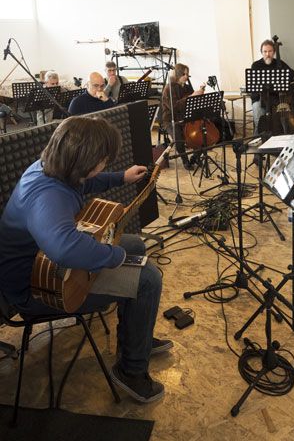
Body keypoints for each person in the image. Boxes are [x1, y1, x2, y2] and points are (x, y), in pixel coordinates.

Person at [0, 116, 172, 402]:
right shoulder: (48, 195)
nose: (105, 164)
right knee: (148, 280)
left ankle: (135, 340)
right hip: (38, 286)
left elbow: (82, 183)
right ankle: (131, 370)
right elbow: (65, 249)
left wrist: (120, 176)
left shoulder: (55, 169)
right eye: (104, 161)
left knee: (135, 245)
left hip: (47, 263)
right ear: (87, 162)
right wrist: (112, 256)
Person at [161, 63, 205, 169]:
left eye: (187, 74)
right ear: (178, 74)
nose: (186, 76)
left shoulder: (186, 87)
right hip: (171, 119)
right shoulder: (169, 88)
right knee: (179, 138)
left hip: (185, 118)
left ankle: (195, 157)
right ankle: (185, 161)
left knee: (203, 134)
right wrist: (191, 96)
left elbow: (191, 101)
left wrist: (199, 93)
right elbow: (174, 107)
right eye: (184, 74)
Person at [250, 40, 294, 134]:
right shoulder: (256, 65)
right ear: (261, 52)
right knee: (259, 118)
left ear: (274, 52)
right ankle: (257, 138)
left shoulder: (279, 63)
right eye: (265, 51)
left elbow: (292, 74)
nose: (268, 54)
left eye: (270, 51)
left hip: (275, 99)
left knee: (279, 118)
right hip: (260, 98)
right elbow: (253, 85)